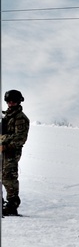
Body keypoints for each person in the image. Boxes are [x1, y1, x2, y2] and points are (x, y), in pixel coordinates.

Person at [2, 89, 30, 217]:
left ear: (18, 102)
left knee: (9, 177)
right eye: (8, 101)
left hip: (11, 152)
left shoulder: (20, 118)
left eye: (13, 101)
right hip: (2, 150)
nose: (10, 103)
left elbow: (20, 138)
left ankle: (12, 205)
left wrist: (5, 145)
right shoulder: (7, 116)